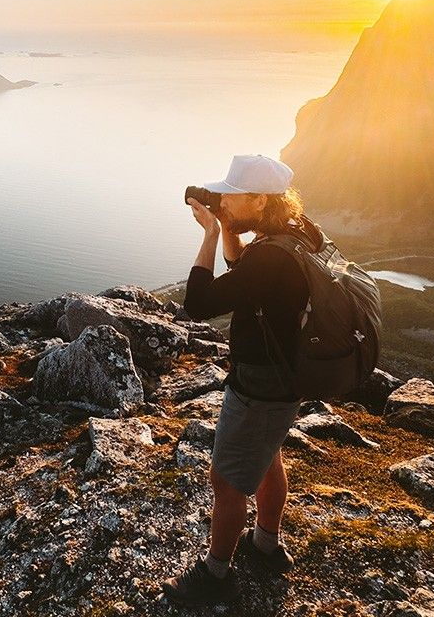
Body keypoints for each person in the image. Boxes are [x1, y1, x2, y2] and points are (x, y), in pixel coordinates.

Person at [160, 154, 316, 606]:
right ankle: (266, 544)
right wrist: (229, 225)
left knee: (227, 480)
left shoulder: (271, 256)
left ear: (261, 200)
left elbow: (199, 304)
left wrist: (210, 232)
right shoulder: (296, 231)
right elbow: (245, 272)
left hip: (259, 386)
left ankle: (215, 575)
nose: (223, 200)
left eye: (232, 195)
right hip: (286, 380)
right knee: (268, 456)